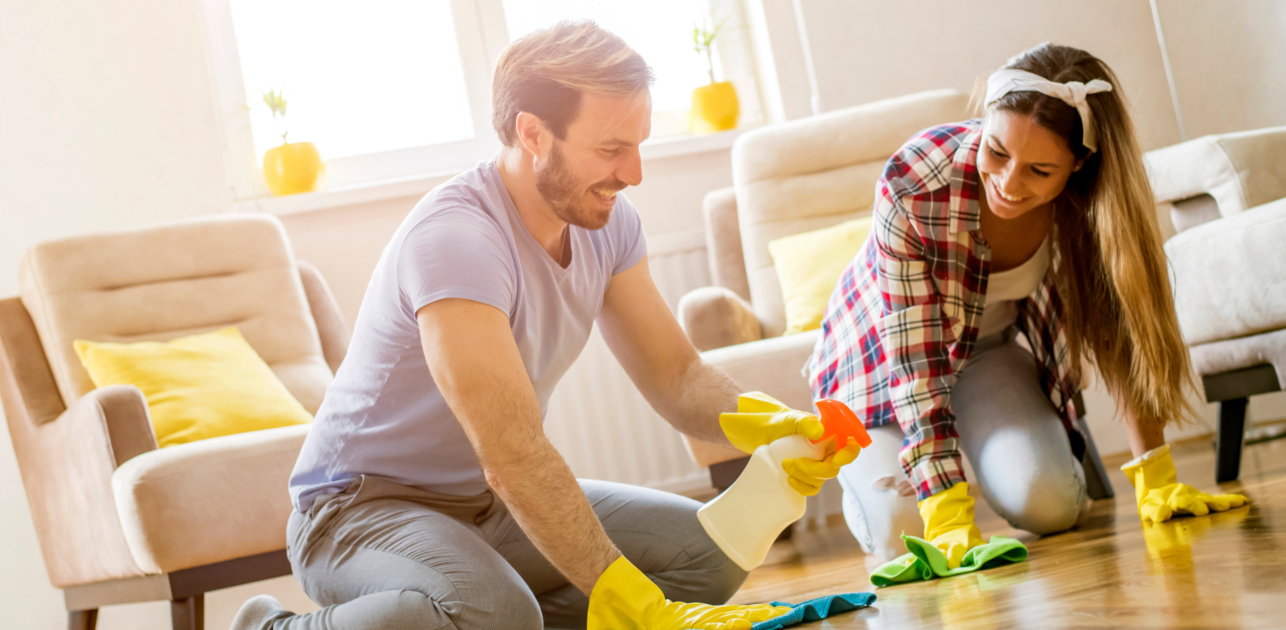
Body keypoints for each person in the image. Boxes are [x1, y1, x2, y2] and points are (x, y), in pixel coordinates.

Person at [232, 20, 858, 630]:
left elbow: (678, 376)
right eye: (611, 148)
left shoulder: (609, 222)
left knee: (703, 561)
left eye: (639, 144)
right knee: (497, 614)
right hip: (359, 510)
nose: (633, 172)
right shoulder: (457, 240)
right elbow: (512, 452)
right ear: (531, 132)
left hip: (484, 502)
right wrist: (622, 595)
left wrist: (775, 423)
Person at [807, 42, 1248, 567]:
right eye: (996, 151)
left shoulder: (1089, 209)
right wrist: (945, 508)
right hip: (879, 364)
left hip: (986, 354)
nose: (1008, 184)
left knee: (1051, 505)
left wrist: (1155, 474)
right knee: (903, 532)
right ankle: (865, 474)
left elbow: (1119, 329)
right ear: (985, 118)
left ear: (1078, 168)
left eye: (1040, 171)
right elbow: (917, 364)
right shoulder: (914, 181)